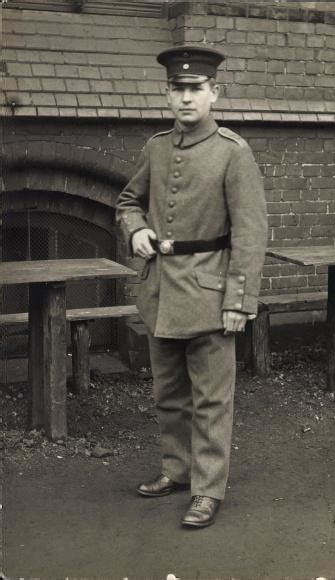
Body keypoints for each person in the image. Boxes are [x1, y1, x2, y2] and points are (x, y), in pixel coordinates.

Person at [116, 45, 267, 528]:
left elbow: (250, 232)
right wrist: (136, 229)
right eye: (177, 90)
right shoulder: (157, 147)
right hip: (161, 290)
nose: (185, 98)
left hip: (209, 292)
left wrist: (239, 302)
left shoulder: (232, 152)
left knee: (211, 400)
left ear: (214, 93)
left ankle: (207, 489)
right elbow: (127, 201)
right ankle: (176, 471)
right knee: (169, 393)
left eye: (195, 89)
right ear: (167, 95)